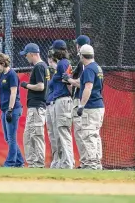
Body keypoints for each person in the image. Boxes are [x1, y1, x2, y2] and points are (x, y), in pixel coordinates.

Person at [0, 52, 24, 168]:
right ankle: (19, 161)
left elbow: (13, 92)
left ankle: (10, 163)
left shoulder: (12, 74)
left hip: (13, 109)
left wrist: (10, 109)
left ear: (3, 63)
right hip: (4, 109)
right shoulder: (2, 75)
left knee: (11, 137)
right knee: (7, 137)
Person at [62, 35, 91, 168]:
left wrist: (69, 79)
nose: (75, 47)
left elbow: (83, 84)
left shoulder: (84, 64)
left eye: (77, 45)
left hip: (81, 100)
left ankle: (87, 163)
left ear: (79, 46)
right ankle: (86, 162)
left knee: (82, 132)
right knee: (81, 133)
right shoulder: (83, 63)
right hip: (81, 100)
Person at [19, 43, 49, 168]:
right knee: (29, 135)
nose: (26, 57)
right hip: (37, 106)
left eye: (26, 55)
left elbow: (40, 86)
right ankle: (33, 163)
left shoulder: (39, 67)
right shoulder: (43, 66)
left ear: (32, 54)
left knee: (35, 135)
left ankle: (37, 163)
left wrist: (26, 85)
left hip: (37, 106)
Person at [78, 44, 105, 170]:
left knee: (88, 134)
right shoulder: (98, 68)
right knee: (95, 135)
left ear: (82, 56)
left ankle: (91, 164)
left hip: (91, 106)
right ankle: (97, 162)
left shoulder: (88, 69)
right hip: (99, 105)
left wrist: (81, 105)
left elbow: (88, 87)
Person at [50, 39, 74, 169]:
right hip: (63, 100)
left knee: (63, 132)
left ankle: (69, 163)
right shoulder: (63, 63)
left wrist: (69, 96)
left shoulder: (62, 64)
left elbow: (67, 81)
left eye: (54, 50)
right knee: (61, 132)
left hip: (63, 100)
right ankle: (65, 162)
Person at [46, 49, 59, 168]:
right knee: (52, 135)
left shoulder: (61, 68)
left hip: (56, 104)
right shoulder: (51, 71)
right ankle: (56, 161)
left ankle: (63, 161)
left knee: (59, 134)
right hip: (49, 103)